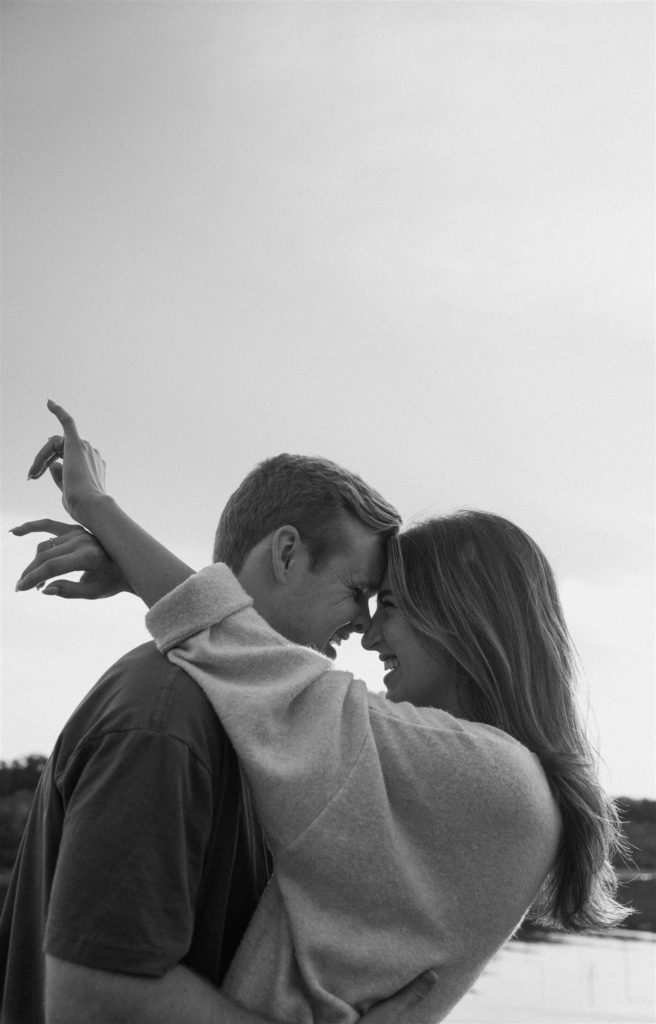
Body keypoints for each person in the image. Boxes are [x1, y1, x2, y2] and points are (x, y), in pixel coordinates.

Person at [10, 403, 628, 1024]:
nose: (367, 629)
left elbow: (234, 639)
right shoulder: (170, 714)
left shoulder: (492, 777)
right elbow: (93, 998)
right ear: (286, 555)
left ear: (464, 620)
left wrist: (106, 519)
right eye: (365, 595)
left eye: (389, 603)